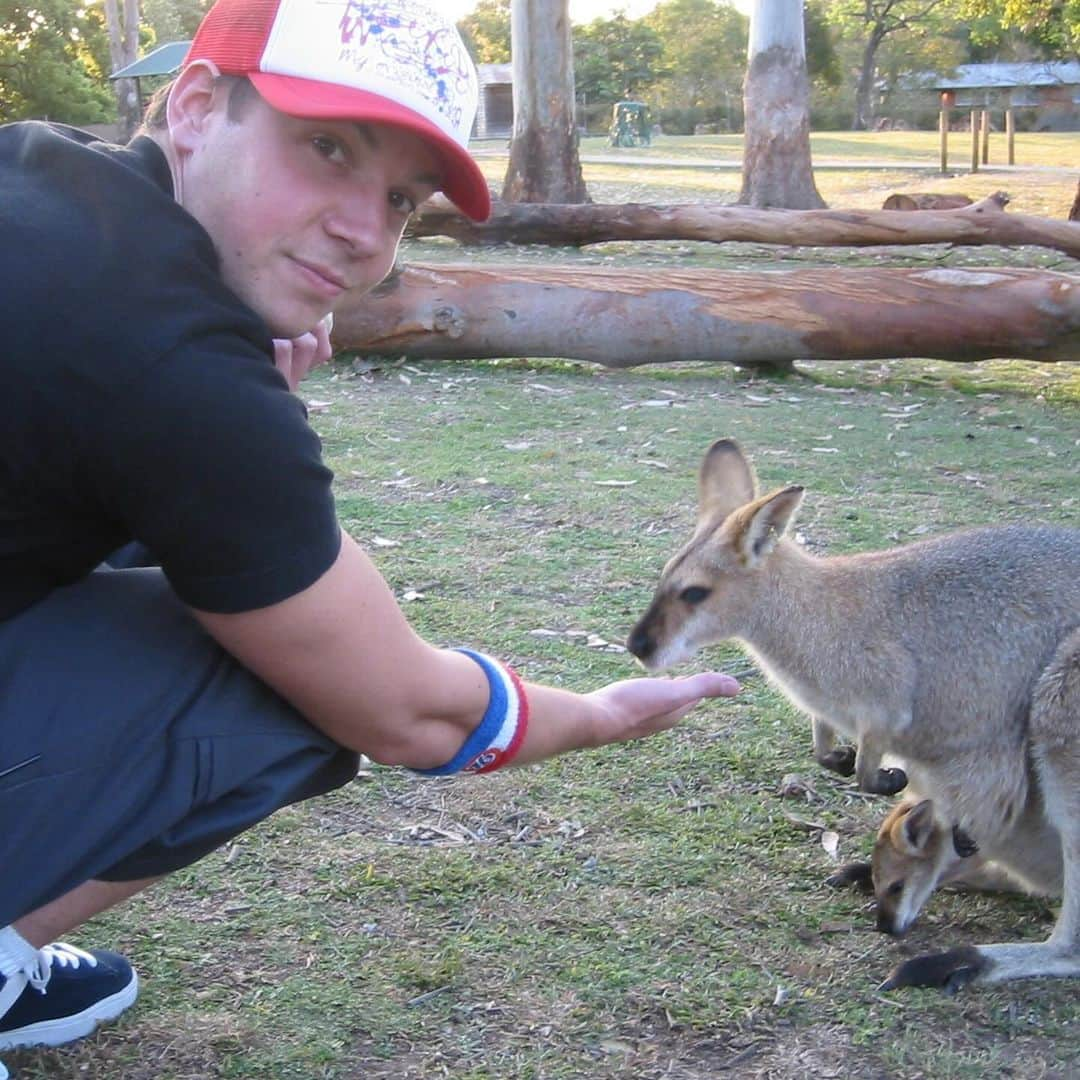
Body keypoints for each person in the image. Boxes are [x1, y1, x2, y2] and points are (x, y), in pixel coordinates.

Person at [0, 0, 740, 1067]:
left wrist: (247, 412)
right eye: (326, 148)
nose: (363, 229)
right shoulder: (167, 355)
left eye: (399, 197)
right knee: (289, 692)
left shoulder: (45, 173)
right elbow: (402, 712)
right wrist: (602, 714)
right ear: (201, 106)